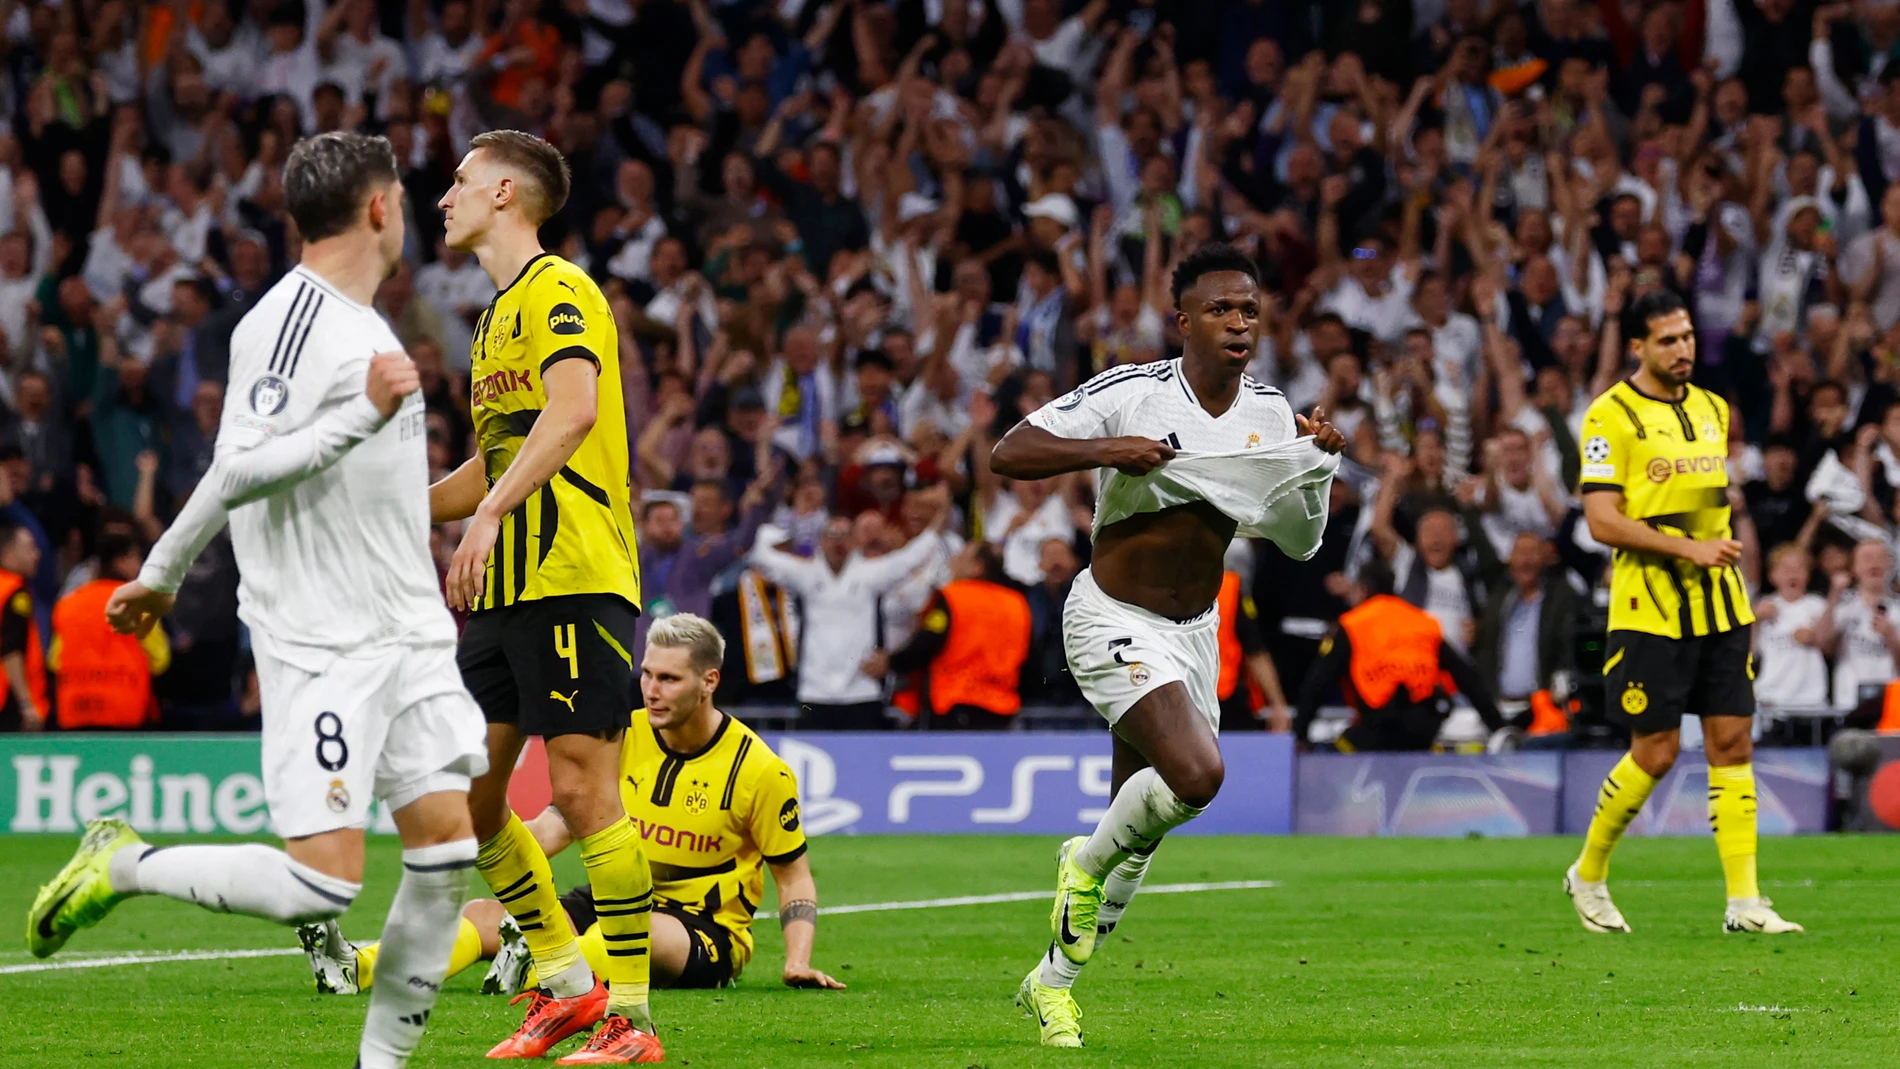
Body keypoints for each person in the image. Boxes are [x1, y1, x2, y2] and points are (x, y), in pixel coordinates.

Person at [34, 131, 487, 1069]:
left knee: (445, 854)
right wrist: (359, 413)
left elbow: (274, 472)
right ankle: (124, 863)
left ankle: (382, 1063)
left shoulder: (369, 327)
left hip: (406, 628)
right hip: (321, 640)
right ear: (376, 208)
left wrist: (157, 573)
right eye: (401, 195)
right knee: (322, 888)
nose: (406, 210)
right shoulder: (286, 321)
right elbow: (238, 464)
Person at [990, 243, 1345, 1047]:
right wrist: (1106, 451)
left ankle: (1053, 984)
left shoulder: (1268, 413)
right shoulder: (1132, 392)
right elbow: (1007, 452)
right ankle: (1077, 862)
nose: (1239, 322)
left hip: (1195, 635)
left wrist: (1316, 461)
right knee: (1197, 774)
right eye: (1222, 309)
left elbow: (1297, 538)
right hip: (1111, 616)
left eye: (1250, 310)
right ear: (1183, 321)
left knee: (1143, 830)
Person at [427, 129, 660, 1064]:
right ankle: (567, 987)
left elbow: (573, 412)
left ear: (507, 193)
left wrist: (481, 518)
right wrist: (411, 511)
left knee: (581, 791)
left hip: (572, 571)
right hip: (503, 584)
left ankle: (633, 1021)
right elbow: (500, 452)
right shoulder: (492, 320)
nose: (444, 197)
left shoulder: (561, 289)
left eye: (459, 181)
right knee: (471, 798)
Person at [297, 615, 845, 999]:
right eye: (647, 674)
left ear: (709, 682)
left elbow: (793, 877)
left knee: (632, 935)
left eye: (669, 679)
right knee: (483, 918)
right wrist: (483, 860)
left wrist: (796, 960)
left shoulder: (758, 770)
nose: (651, 689)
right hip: (607, 896)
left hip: (702, 930)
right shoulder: (621, 734)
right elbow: (561, 822)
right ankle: (359, 967)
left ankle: (538, 961)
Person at [1564, 289, 1801, 936]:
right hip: (1649, 610)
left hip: (1722, 605)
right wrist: (1685, 548)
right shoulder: (1608, 415)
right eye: (1668, 339)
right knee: (1658, 750)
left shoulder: (1714, 409)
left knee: (1732, 742)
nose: (1683, 348)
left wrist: (1713, 552)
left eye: (1688, 335)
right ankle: (1588, 872)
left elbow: (1714, 508)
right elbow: (1602, 519)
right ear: (1637, 346)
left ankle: (1746, 901)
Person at [747, 492, 952, 729]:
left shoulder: (869, 574)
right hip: (814, 694)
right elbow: (760, 555)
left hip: (862, 692)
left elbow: (911, 558)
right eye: (832, 535)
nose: (838, 542)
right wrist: (753, 511)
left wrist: (941, 517)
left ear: (855, 541)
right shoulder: (805, 574)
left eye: (845, 536)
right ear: (821, 540)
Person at [1294, 562, 1505, 751]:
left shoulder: (1352, 624)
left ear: (1363, 589)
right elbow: (1466, 677)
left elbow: (1318, 683)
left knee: (1337, 755)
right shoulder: (1421, 621)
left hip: (1379, 729)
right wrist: (1498, 727)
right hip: (1424, 730)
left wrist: (1299, 733)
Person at [886, 541, 1034, 729]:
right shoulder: (1017, 603)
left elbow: (927, 642)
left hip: (956, 703)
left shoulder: (954, 596)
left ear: (978, 567)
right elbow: (1029, 659)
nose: (954, 561)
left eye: (962, 557)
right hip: (1002, 707)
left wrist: (892, 663)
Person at [49, 532, 169, 729]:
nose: (139, 565)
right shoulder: (138, 603)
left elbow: (55, 661)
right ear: (121, 560)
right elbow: (159, 659)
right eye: (136, 558)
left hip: (75, 711)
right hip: (125, 713)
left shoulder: (68, 603)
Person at [0, 521, 47, 731]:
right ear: (9, 552)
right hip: (8, 702)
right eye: (29, 549)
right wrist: (26, 704)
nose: (36, 555)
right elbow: (11, 650)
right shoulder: (14, 593)